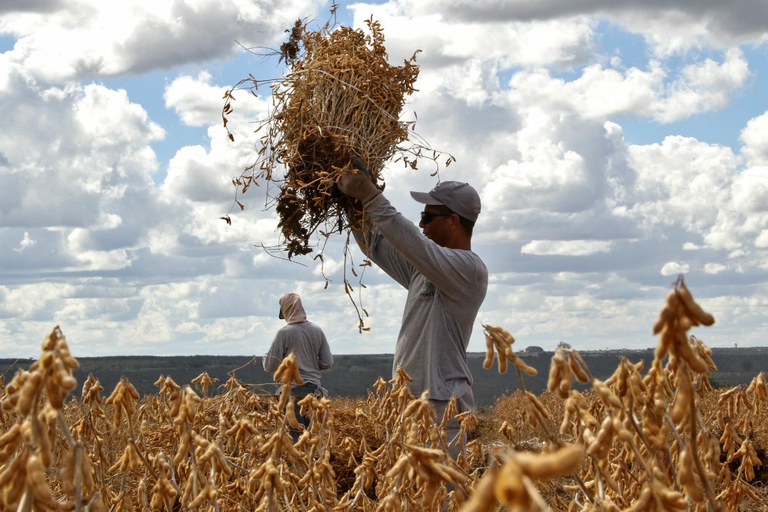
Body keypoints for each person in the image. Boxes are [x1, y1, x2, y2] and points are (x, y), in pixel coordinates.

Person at [337, 171, 488, 457]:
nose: (421, 224)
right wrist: (352, 204)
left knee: (439, 499)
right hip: (408, 405)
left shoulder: (469, 270)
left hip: (442, 410)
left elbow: (413, 243)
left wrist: (370, 195)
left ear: (453, 221)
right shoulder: (424, 268)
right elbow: (376, 245)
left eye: (428, 217)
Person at [263, 292, 333, 439]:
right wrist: (310, 364)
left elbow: (269, 366)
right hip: (314, 391)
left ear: (286, 310)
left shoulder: (284, 333)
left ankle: (298, 462)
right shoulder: (317, 330)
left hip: (291, 393)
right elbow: (327, 362)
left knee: (295, 437)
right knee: (313, 436)